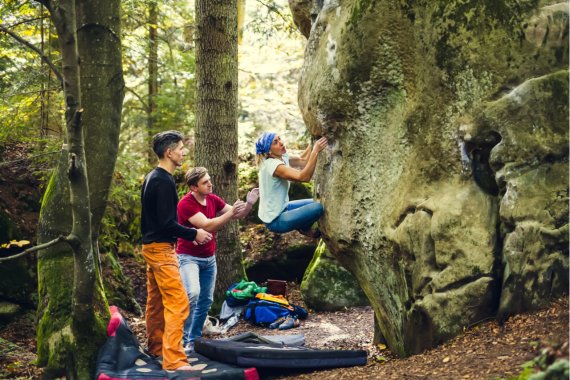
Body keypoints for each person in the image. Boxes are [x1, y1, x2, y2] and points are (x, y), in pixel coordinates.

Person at [140, 130, 213, 371]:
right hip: (160, 250)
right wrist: (194, 233)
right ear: (169, 153)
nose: (184, 152)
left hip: (153, 246)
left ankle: (157, 349)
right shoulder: (161, 181)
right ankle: (174, 360)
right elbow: (165, 223)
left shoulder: (153, 177)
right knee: (179, 301)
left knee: (157, 302)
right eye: (181, 148)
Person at [176, 167, 259, 351]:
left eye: (209, 180)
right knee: (193, 294)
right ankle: (181, 338)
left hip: (208, 259)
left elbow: (239, 214)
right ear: (193, 187)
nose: (210, 184)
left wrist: (249, 204)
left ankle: (193, 340)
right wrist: (230, 213)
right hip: (188, 257)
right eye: (205, 182)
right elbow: (207, 224)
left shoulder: (213, 199)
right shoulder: (185, 204)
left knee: (205, 300)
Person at [255, 131, 328, 236]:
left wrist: (314, 141)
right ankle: (304, 227)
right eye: (275, 142)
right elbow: (304, 177)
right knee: (317, 208)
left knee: (315, 201)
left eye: (279, 138)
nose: (280, 142)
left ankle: (303, 226)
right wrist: (316, 150)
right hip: (275, 220)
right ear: (269, 152)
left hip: (284, 207)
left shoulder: (281, 156)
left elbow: (303, 161)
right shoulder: (273, 166)